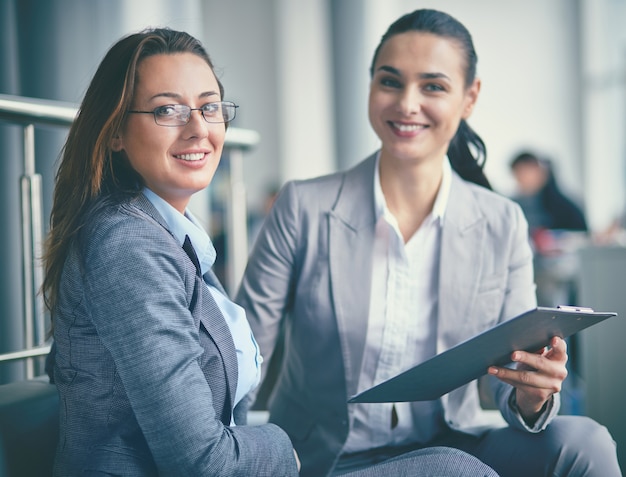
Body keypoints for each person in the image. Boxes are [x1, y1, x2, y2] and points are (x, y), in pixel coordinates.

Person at [236, 9, 621, 477]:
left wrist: (532, 391)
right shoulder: (304, 206)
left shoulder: (500, 222)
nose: (407, 103)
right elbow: (244, 355)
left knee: (586, 443)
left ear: (469, 97)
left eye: (433, 86)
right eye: (390, 82)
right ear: (371, 85)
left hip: (451, 445)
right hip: (325, 461)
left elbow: (510, 371)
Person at [42, 28, 300, 476]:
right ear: (116, 131)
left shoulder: (168, 232)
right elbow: (202, 463)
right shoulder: (127, 244)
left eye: (209, 107)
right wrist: (282, 447)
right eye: (168, 110)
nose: (198, 127)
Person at [509, 151, 588, 234]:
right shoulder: (514, 205)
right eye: (517, 173)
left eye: (525, 172)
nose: (521, 178)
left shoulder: (564, 207)